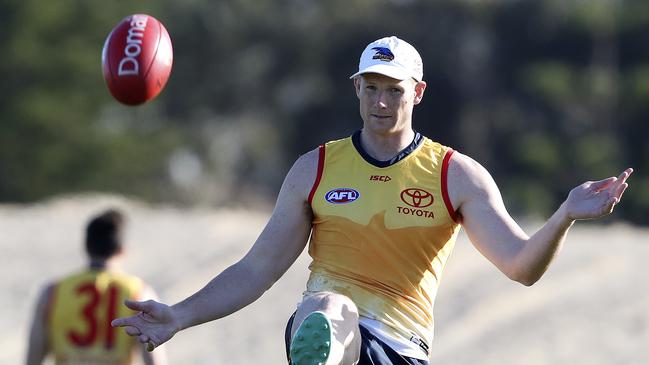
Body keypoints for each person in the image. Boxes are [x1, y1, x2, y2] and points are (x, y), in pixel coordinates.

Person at [111, 36, 633, 365]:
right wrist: (180, 314)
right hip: (325, 333)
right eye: (371, 88)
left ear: (418, 93)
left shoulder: (456, 176)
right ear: (357, 88)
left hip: (403, 349)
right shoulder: (314, 168)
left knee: (330, 318)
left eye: (395, 91)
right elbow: (257, 269)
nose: (381, 102)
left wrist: (564, 214)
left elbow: (521, 267)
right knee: (324, 309)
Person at [26, 209, 167, 365]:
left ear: (86, 246)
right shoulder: (139, 293)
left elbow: (34, 356)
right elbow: (154, 359)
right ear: (122, 250)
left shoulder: (53, 292)